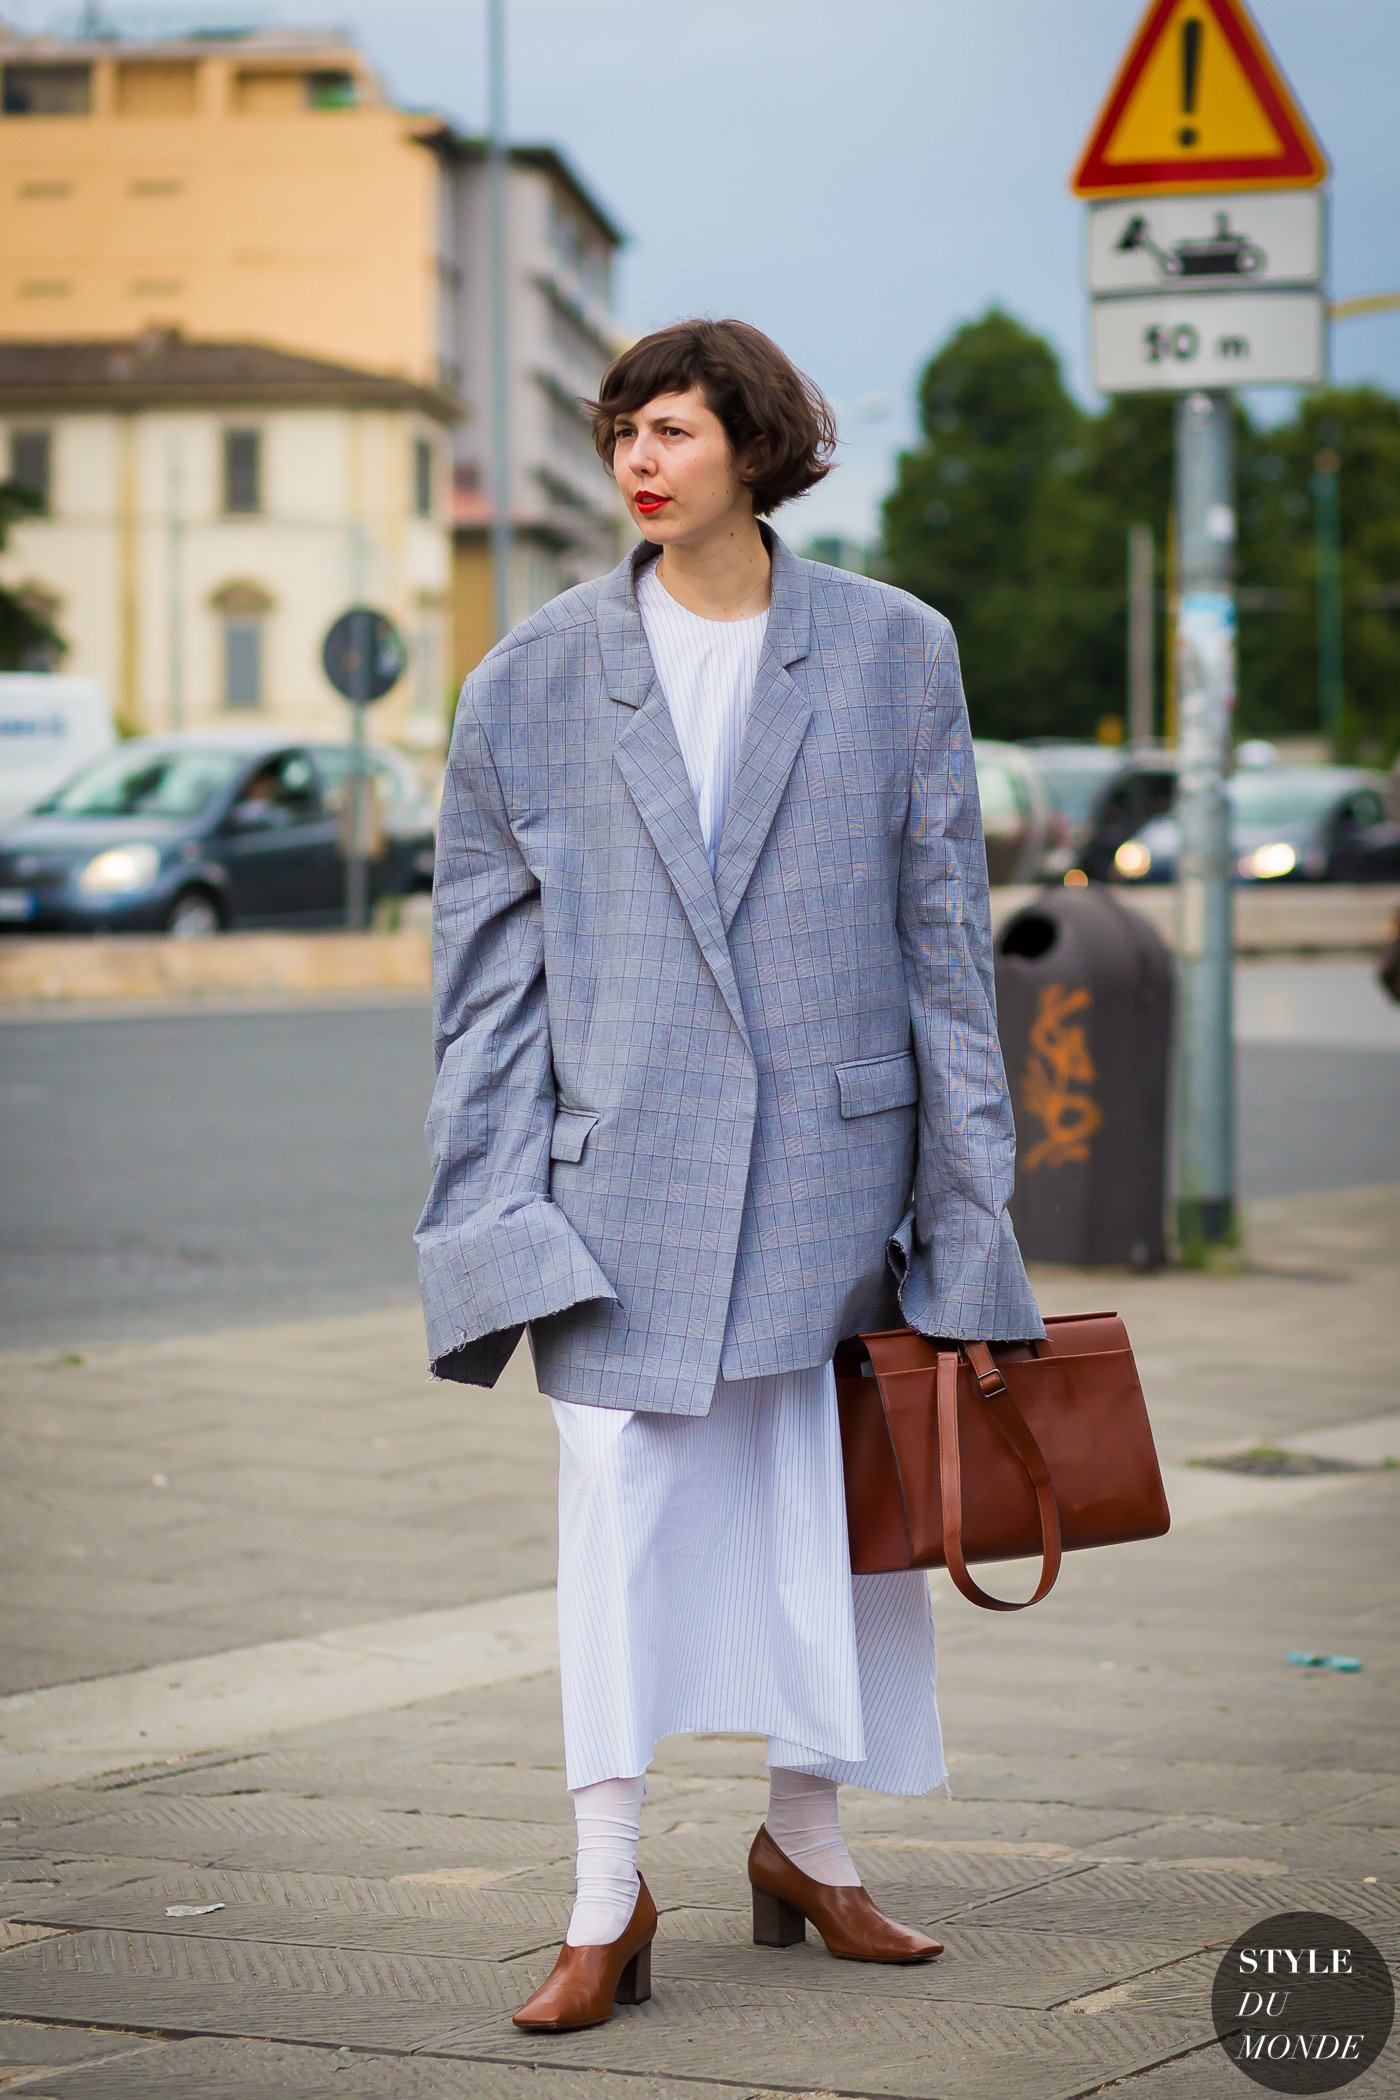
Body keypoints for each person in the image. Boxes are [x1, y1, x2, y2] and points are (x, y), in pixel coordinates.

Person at [415, 318, 1043, 2033]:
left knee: (826, 1529)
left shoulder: (896, 652)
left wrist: (969, 1226)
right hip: (612, 1199)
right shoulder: (529, 680)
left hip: (840, 1185)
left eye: (674, 428)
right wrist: (483, 1225)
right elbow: (483, 998)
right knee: (618, 1535)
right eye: (623, 426)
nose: (639, 456)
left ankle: (807, 1846)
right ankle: (603, 1902)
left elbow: (942, 956)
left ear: (756, 449)